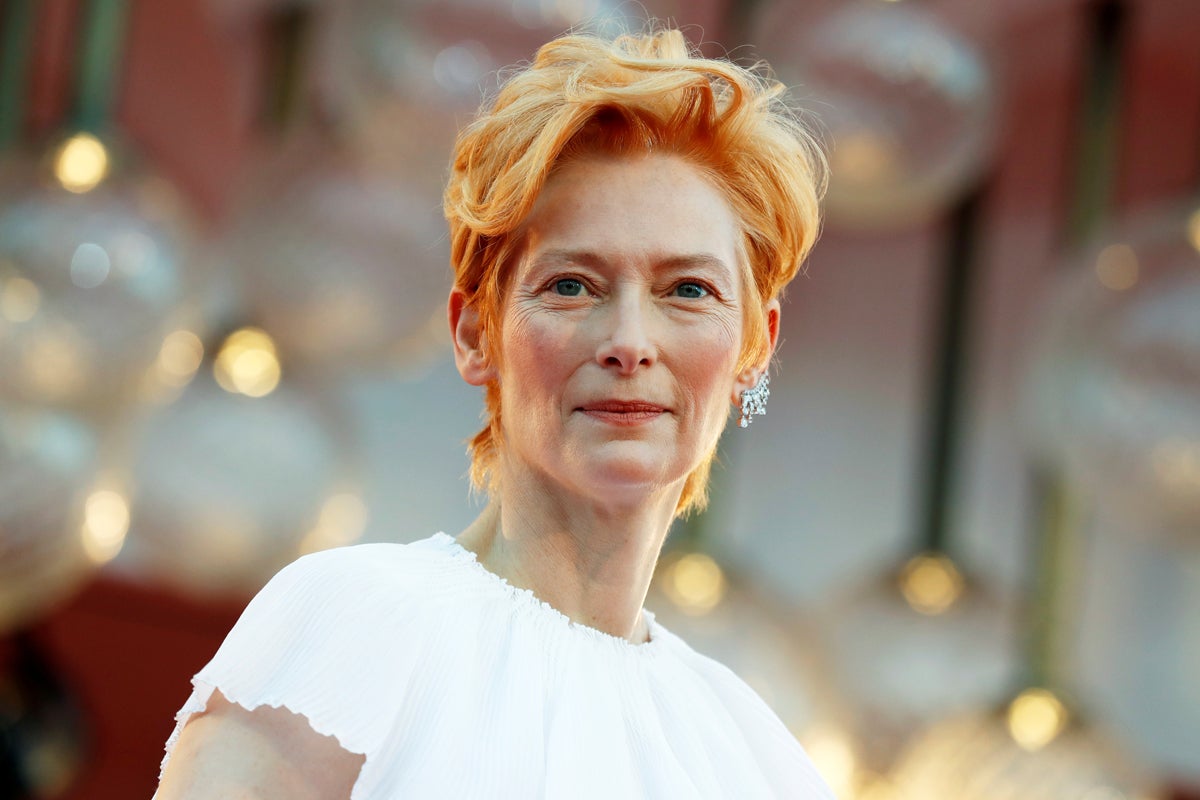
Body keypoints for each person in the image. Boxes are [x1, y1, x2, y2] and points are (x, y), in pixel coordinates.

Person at [155, 24, 829, 799]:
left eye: (688, 291)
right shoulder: (354, 625)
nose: (629, 341)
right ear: (476, 333)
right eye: (572, 284)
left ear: (753, 346)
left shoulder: (749, 755)